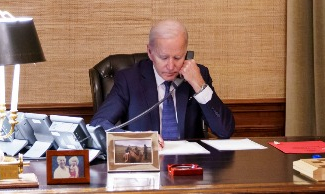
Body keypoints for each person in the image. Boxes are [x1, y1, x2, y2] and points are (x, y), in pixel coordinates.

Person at [90, 19, 235, 142]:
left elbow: (225, 130)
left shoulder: (198, 74)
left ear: (186, 53)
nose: (171, 66)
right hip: (145, 164)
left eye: (178, 57)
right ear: (150, 52)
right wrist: (138, 140)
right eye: (164, 58)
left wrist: (200, 86)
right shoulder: (129, 79)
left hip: (189, 166)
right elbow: (98, 124)